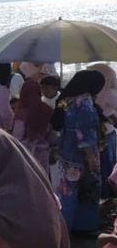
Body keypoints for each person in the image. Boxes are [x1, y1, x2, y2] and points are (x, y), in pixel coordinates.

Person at [52, 70, 104, 233]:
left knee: (68, 194)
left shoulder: (68, 101)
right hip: (82, 158)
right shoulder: (85, 104)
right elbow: (85, 136)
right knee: (89, 191)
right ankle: (84, 226)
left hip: (67, 154)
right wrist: (92, 160)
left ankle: (65, 228)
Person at [12, 80, 54, 174]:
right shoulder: (47, 110)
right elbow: (51, 134)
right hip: (43, 153)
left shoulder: (21, 113)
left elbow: (17, 137)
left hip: (25, 155)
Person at [90, 63, 117, 197]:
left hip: (106, 133)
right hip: (96, 134)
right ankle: (103, 193)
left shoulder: (109, 93)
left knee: (106, 162)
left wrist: (109, 118)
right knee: (100, 163)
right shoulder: (90, 94)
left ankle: (107, 194)